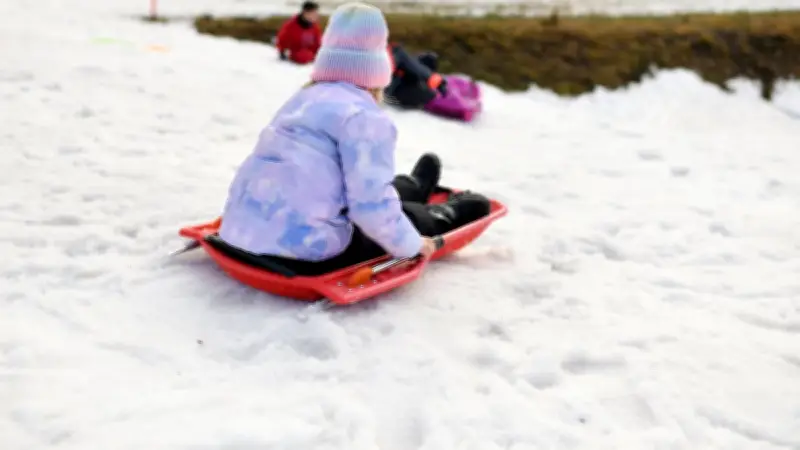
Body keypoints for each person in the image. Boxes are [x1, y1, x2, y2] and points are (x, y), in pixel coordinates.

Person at [217, 2, 491, 276]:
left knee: (359, 187)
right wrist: (411, 244)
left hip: (241, 231)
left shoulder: (302, 100)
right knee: (395, 214)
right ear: (376, 70)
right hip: (306, 250)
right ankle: (439, 215)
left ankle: (412, 186)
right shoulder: (363, 117)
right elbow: (369, 208)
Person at [384, 44, 448, 109]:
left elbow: (414, 67)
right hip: (395, 92)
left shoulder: (391, 52)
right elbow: (415, 67)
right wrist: (438, 83)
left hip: (394, 88)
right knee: (430, 94)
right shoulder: (395, 52)